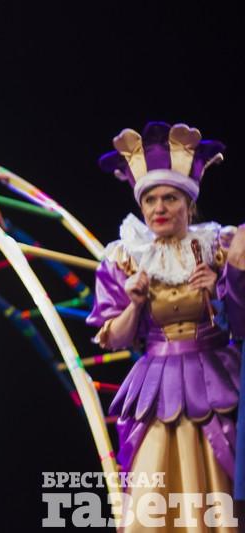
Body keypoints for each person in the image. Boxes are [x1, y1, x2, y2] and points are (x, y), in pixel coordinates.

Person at [87, 121, 245, 530]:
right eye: (151, 199)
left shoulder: (222, 248)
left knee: (216, 484)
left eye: (170, 198)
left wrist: (220, 290)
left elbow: (240, 323)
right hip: (155, 387)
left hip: (214, 380)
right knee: (151, 485)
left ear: (188, 204)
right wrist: (135, 305)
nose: (159, 208)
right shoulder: (124, 258)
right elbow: (113, 338)